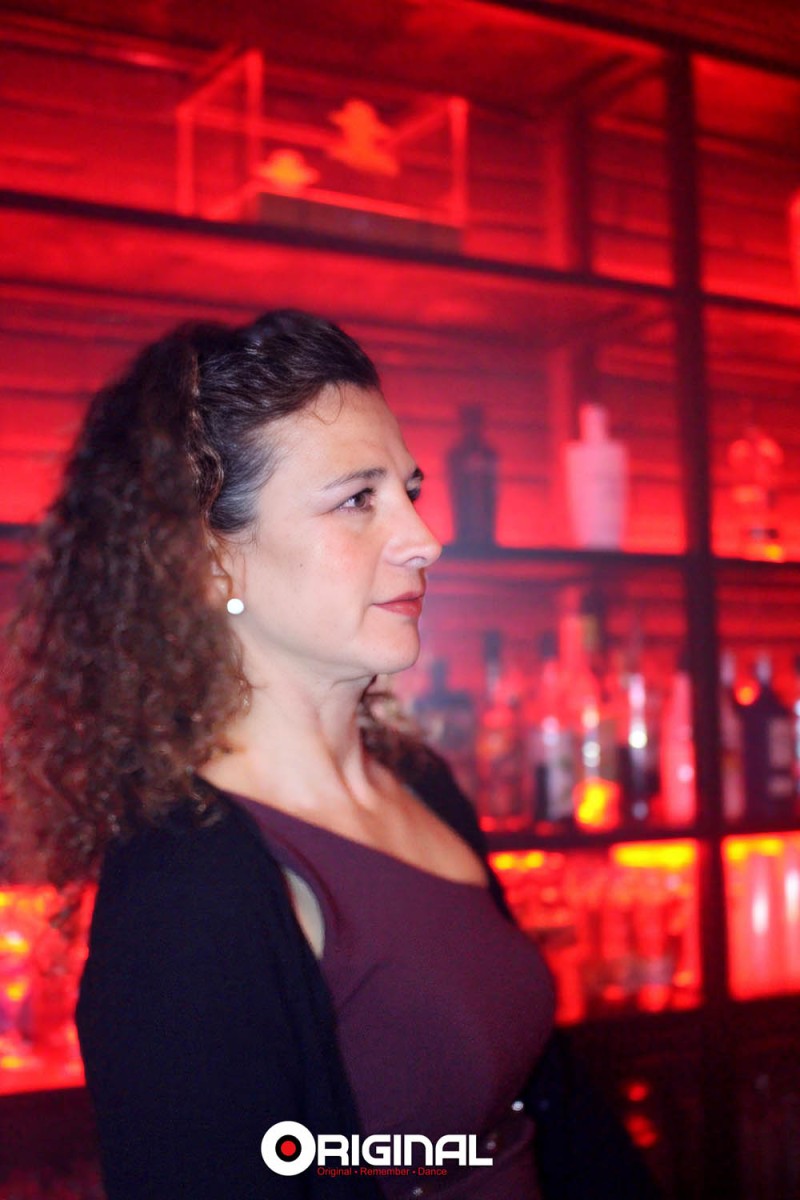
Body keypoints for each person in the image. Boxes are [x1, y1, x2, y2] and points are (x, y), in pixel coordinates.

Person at [1, 310, 660, 1200]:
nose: (424, 538)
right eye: (357, 499)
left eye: (410, 491)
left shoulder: (420, 783)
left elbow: (547, 1103)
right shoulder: (185, 885)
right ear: (209, 564)